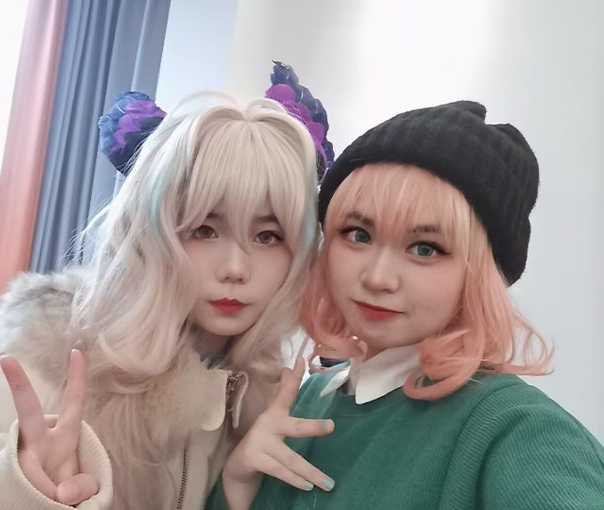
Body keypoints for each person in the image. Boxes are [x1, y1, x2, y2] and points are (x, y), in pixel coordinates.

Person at [0, 62, 333, 509]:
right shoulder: (44, 376)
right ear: (147, 233)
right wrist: (17, 494)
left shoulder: (273, 402)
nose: (236, 268)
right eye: (204, 229)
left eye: (267, 236)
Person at [215, 101, 604, 509]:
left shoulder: (516, 429)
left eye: (425, 248)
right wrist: (238, 487)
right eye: (359, 234)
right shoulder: (308, 400)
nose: (378, 277)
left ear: (481, 276)